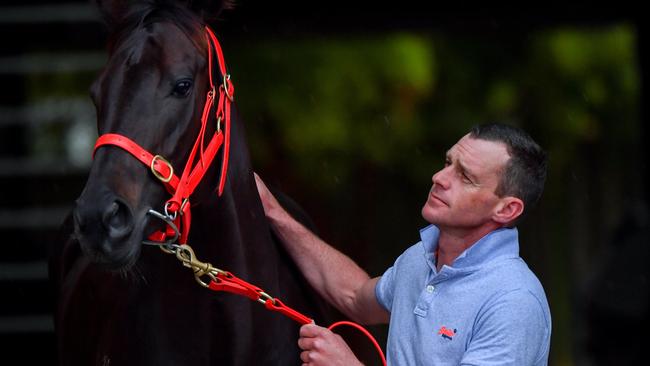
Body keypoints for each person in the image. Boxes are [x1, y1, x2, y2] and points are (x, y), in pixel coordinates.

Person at [255, 123, 552, 365]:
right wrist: (273, 212)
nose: (439, 178)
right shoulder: (419, 259)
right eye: (448, 163)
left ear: (506, 209)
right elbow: (354, 296)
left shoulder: (514, 301)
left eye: (465, 176)